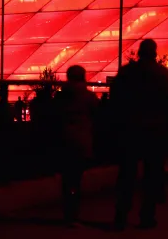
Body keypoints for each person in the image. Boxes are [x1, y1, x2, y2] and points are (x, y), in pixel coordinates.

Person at [111, 39, 168, 230]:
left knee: (126, 175)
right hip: (155, 131)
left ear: (139, 52)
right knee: (152, 175)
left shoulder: (126, 73)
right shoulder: (163, 75)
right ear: (155, 53)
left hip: (129, 130)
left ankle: (121, 216)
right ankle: (147, 216)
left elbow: (115, 101)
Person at [52, 65, 99, 226]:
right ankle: (73, 213)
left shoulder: (60, 97)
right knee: (76, 179)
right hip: (81, 141)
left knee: (66, 178)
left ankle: (67, 213)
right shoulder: (89, 97)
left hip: (63, 141)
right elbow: (98, 115)